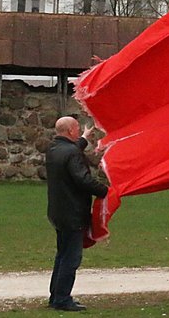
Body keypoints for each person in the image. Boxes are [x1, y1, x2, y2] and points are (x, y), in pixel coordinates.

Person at [46, 116, 108, 311]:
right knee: (71, 258)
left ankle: (56, 295)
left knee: (62, 255)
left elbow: (70, 152)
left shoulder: (53, 149)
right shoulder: (72, 153)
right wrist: (106, 191)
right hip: (73, 213)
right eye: (77, 128)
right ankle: (62, 299)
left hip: (58, 212)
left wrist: (84, 138)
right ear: (71, 131)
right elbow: (83, 180)